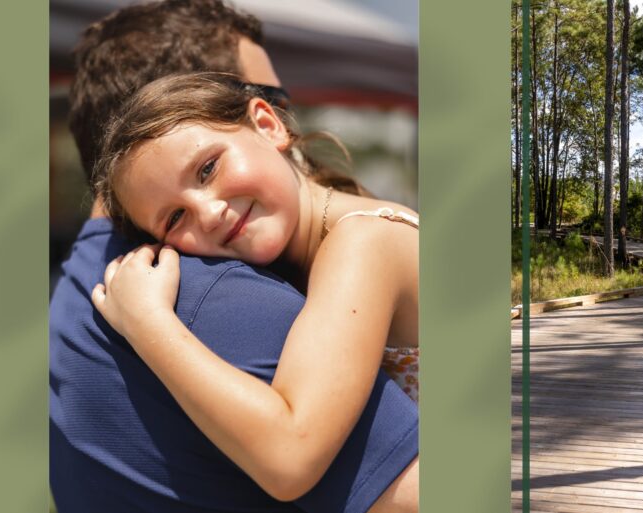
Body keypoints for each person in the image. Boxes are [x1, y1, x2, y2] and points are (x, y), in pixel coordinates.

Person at [50, 1, 418, 512]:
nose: (209, 212)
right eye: (173, 219)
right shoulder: (298, 261)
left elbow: (291, 456)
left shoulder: (362, 245)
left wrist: (149, 325)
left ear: (268, 124)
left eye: (207, 169)